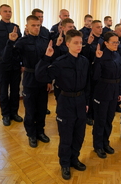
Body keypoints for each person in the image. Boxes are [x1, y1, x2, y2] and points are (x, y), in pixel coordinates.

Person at [35, 30, 90, 180]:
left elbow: (88, 84)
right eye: (75, 43)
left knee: (79, 135)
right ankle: (65, 164)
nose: (79, 45)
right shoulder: (60, 62)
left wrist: (87, 102)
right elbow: (40, 76)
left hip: (81, 101)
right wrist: (47, 57)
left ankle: (74, 159)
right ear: (67, 44)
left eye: (80, 42)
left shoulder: (84, 61)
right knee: (66, 137)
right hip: (66, 102)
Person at [3, 15, 50, 148]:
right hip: (29, 80)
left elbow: (48, 62)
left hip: (43, 79)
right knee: (30, 111)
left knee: (41, 109)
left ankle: (40, 132)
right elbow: (7, 58)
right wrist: (10, 42)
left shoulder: (45, 41)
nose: (36, 28)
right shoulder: (21, 42)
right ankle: (31, 135)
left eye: (38, 25)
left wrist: (48, 80)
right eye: (33, 25)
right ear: (27, 27)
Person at [92, 32, 121, 159]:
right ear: (105, 43)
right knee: (100, 120)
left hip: (114, 91)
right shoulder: (101, 55)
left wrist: (120, 92)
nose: (116, 44)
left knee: (109, 119)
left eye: (117, 42)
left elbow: (120, 75)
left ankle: (106, 142)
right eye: (113, 42)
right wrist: (98, 60)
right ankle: (98, 145)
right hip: (102, 91)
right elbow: (95, 76)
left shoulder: (117, 55)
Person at [81, 20, 104, 126]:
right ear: (92, 28)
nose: (100, 29)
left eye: (101, 27)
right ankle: (88, 115)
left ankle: (95, 113)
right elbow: (83, 56)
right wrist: (88, 44)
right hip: (89, 71)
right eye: (98, 27)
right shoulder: (86, 40)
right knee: (89, 94)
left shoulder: (103, 41)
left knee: (97, 93)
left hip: (99, 71)